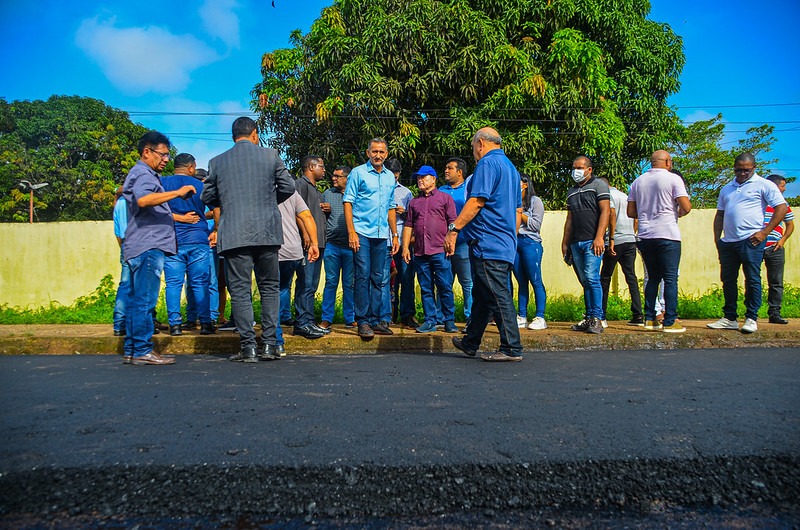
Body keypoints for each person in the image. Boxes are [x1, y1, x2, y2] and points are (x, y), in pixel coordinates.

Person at [200, 116, 296, 362]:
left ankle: (248, 348)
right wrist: (267, 202)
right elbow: (288, 186)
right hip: (267, 232)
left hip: (234, 233)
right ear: (254, 133)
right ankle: (269, 345)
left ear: (234, 136)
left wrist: (230, 202)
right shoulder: (271, 155)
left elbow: (207, 195)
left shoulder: (217, 162)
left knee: (240, 291)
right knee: (270, 288)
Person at [444, 127, 523, 362]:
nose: (474, 153)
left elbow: (477, 201)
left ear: (480, 143)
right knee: (482, 293)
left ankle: (511, 348)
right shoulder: (511, 168)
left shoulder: (487, 164)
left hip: (488, 242)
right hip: (503, 241)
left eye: (473, 148)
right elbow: (518, 209)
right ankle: (471, 342)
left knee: (498, 295)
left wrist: (454, 229)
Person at [121, 131, 196, 366]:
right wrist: (177, 192)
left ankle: (133, 350)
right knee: (145, 299)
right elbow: (144, 201)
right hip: (147, 246)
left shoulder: (142, 174)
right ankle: (142, 349)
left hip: (141, 244)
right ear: (147, 152)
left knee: (137, 299)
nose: (165, 159)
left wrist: (179, 218)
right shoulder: (144, 174)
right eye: (162, 154)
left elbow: (150, 208)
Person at [707, 153, 787, 334]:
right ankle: (729, 317)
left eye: (746, 170)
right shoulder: (727, 188)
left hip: (751, 240)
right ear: (734, 168)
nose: (742, 173)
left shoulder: (764, 185)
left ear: (754, 167)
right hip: (728, 242)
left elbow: (781, 208)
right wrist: (717, 239)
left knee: (752, 279)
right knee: (728, 280)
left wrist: (765, 232)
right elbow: (720, 214)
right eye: (738, 170)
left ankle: (751, 317)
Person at [627, 151, 692, 333]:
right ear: (667, 162)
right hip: (667, 234)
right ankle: (670, 321)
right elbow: (686, 206)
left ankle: (650, 318)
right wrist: (676, 212)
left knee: (653, 278)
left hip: (646, 235)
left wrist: (647, 212)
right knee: (670, 278)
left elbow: (631, 212)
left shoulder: (638, 181)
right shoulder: (673, 179)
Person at [343, 138, 399, 338]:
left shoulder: (389, 177)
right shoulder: (358, 173)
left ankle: (376, 320)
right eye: (374, 151)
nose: (378, 155)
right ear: (368, 153)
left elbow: (391, 207)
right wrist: (351, 232)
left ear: (386, 153)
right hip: (362, 233)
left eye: (382, 152)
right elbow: (348, 202)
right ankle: (363, 321)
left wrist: (395, 235)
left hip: (382, 234)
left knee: (379, 278)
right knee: (363, 275)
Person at [161, 153, 215, 336]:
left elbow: (154, 209)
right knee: (200, 282)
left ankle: (175, 325)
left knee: (173, 283)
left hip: (172, 239)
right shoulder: (201, 186)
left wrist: (177, 218)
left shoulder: (163, 183)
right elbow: (217, 209)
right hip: (198, 238)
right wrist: (215, 230)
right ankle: (206, 323)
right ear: (191, 167)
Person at [402, 165, 458, 333]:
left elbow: (453, 223)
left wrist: (452, 242)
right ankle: (430, 320)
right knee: (426, 288)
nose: (420, 180)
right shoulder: (414, 203)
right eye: (418, 178)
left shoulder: (445, 198)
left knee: (444, 286)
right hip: (420, 252)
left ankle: (449, 320)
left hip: (440, 250)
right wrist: (405, 247)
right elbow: (408, 226)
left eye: (423, 177)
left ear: (433, 179)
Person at [561, 156, 610, 334]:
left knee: (592, 278)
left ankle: (597, 318)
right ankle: (589, 317)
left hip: (592, 241)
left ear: (589, 169)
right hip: (576, 242)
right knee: (585, 281)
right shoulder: (571, 191)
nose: (576, 171)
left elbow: (606, 211)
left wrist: (599, 237)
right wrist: (565, 242)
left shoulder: (599, 185)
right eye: (574, 167)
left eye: (580, 167)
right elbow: (570, 219)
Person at [293, 155, 331, 338]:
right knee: (305, 283)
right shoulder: (300, 185)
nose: (324, 170)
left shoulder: (316, 190)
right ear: (310, 166)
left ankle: (309, 321)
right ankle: (302, 322)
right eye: (321, 166)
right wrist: (306, 235)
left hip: (320, 244)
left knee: (312, 284)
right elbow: (296, 212)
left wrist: (327, 211)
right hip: (308, 244)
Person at [278, 191, 322, 349]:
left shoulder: (260, 189)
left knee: (274, 289)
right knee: (297, 286)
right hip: (292, 249)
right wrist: (314, 243)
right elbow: (306, 216)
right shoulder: (292, 191)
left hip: (270, 248)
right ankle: (302, 322)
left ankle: (275, 336)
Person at [599, 176, 644, 327]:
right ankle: (638, 315)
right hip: (630, 240)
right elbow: (636, 218)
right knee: (631, 277)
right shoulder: (625, 196)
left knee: (604, 278)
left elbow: (611, 214)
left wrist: (611, 237)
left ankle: (601, 314)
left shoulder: (607, 196)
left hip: (614, 241)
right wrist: (631, 233)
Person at [438, 157, 473, 327]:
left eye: (450, 168)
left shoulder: (469, 190)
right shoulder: (440, 191)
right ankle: (442, 317)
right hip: (443, 243)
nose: (446, 170)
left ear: (460, 172)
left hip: (463, 242)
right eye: (446, 167)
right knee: (444, 281)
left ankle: (470, 318)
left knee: (467, 282)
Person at [320, 165, 356, 329]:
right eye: (333, 175)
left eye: (337, 176)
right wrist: (324, 210)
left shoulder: (356, 195)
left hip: (351, 247)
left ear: (347, 178)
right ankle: (327, 318)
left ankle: (350, 318)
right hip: (332, 246)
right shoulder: (327, 194)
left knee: (350, 283)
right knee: (331, 281)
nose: (333, 178)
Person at [383, 158, 417, 328]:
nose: (394, 177)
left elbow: (414, 221)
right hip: (384, 240)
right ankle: (387, 315)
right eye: (391, 174)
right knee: (385, 280)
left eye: (396, 174)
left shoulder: (406, 193)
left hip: (403, 242)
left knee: (406, 278)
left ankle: (407, 314)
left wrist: (404, 213)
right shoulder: (378, 190)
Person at [513, 173, 547, 330]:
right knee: (521, 281)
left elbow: (536, 225)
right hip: (515, 242)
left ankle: (540, 316)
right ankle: (522, 315)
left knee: (535, 279)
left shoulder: (535, 201)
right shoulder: (511, 200)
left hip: (530, 242)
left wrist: (520, 214)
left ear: (525, 184)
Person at [762, 174, 794, 324]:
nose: (785, 189)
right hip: (756, 245)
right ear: (773, 186)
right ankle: (751, 314)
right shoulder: (758, 201)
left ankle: (774, 313)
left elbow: (790, 225)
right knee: (752, 279)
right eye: (782, 186)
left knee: (776, 282)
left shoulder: (783, 204)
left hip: (775, 247)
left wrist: (782, 240)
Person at [112, 187, 129, 337]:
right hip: (140, 244)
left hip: (125, 244)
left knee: (125, 284)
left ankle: (119, 323)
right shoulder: (139, 201)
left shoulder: (120, 203)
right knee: (145, 287)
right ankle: (147, 321)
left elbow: (117, 232)